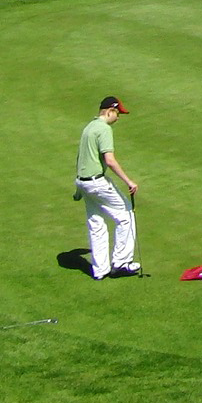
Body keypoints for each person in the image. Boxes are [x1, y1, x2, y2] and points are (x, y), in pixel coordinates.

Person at [75, 96, 141, 279]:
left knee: (96, 223)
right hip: (97, 183)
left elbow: (80, 158)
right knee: (126, 214)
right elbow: (109, 160)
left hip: (84, 181)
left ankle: (100, 269)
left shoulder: (89, 127)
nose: (118, 118)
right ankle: (121, 263)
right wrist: (129, 181)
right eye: (118, 113)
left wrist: (78, 188)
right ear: (110, 111)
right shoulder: (103, 129)